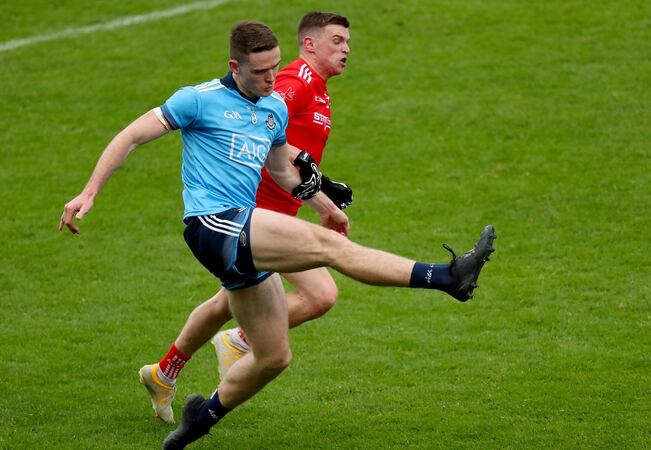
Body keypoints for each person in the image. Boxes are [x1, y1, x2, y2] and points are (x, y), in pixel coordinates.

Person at [60, 20, 495, 450]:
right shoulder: (198, 100)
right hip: (213, 224)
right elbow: (131, 136)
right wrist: (89, 191)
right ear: (236, 66)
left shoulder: (273, 109)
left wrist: (324, 200)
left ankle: (197, 423)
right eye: (261, 71)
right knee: (330, 250)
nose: (272, 78)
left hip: (241, 230)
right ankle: (447, 277)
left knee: (273, 357)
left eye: (275, 68)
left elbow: (283, 171)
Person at [136, 11, 356, 426]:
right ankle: (239, 340)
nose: (346, 49)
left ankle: (164, 373)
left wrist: (319, 191)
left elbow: (286, 152)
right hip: (255, 210)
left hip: (277, 208)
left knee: (225, 302)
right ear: (309, 44)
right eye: (337, 40)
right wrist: (321, 189)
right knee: (321, 293)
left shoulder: (318, 88)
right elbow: (267, 130)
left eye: (347, 41)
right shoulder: (293, 83)